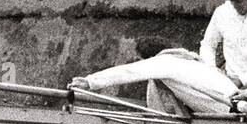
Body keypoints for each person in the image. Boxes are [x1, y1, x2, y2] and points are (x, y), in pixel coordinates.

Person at [70, 37, 237, 116]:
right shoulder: (191, 59)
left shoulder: (163, 62)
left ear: (150, 58)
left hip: (225, 110)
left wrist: (89, 82)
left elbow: (129, 72)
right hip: (237, 100)